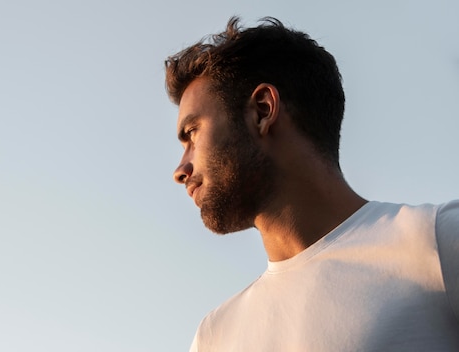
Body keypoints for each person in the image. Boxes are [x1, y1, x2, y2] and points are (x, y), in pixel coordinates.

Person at [165, 16, 459, 351]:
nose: (180, 169)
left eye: (191, 134)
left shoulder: (436, 243)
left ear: (262, 110)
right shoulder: (214, 335)